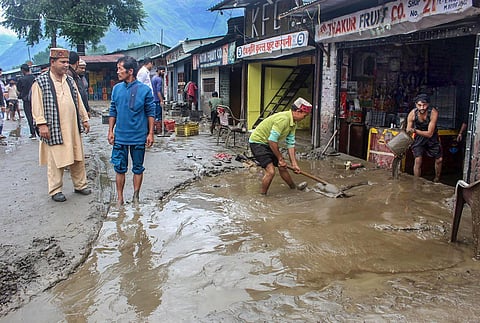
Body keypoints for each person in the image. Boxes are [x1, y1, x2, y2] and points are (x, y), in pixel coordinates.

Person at [31, 48, 91, 202]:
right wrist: (41, 124)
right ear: (52, 62)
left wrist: (84, 118)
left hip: (72, 126)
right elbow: (36, 105)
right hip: (54, 128)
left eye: (67, 62)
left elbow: (78, 100)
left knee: (78, 156)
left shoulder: (69, 80)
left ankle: (80, 185)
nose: (66, 65)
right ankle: (55, 189)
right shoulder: (41, 82)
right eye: (62, 62)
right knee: (56, 159)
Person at [108, 56, 155, 206]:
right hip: (120, 136)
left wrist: (151, 133)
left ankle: (136, 197)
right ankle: (120, 198)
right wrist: (110, 131)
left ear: (130, 71)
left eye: (120, 69)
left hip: (138, 136)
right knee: (119, 168)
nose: (117, 72)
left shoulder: (145, 91)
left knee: (138, 168)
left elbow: (150, 113)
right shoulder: (116, 89)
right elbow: (113, 110)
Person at [249, 97, 312, 195]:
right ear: (298, 111)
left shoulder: (293, 123)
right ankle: (262, 196)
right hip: (258, 142)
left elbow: (290, 144)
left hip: (268, 143)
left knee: (283, 167)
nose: (304, 118)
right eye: (304, 116)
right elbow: (272, 140)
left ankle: (293, 188)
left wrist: (294, 164)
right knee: (271, 171)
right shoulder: (283, 119)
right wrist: (280, 158)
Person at [406, 93, 443, 182]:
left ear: (428, 104)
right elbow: (408, 130)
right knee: (418, 160)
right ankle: (416, 181)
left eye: (424, 105)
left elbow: (429, 133)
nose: (422, 107)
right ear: (416, 105)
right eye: (419, 105)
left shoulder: (433, 112)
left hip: (432, 137)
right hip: (419, 138)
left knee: (439, 160)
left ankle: (437, 178)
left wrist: (414, 131)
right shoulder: (412, 114)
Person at [16, 63, 37, 138]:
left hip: (26, 100)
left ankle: (33, 133)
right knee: (37, 115)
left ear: (22, 70)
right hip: (35, 99)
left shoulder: (21, 79)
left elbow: (18, 89)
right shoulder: (34, 77)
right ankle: (39, 131)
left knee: (29, 116)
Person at [151, 66, 165, 134]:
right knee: (159, 116)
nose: (163, 73)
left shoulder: (153, 78)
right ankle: (159, 130)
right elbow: (158, 91)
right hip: (157, 100)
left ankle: (153, 129)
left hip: (153, 99)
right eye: (163, 71)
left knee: (154, 115)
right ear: (159, 70)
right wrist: (161, 100)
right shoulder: (159, 79)